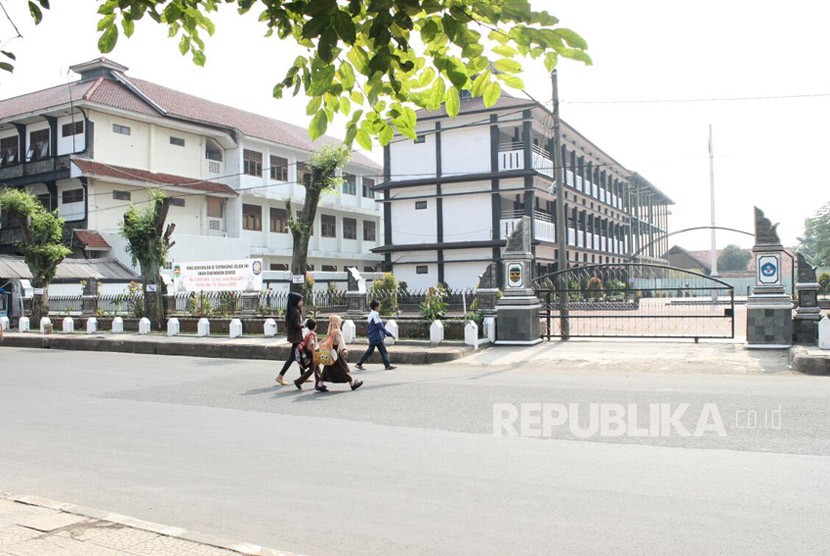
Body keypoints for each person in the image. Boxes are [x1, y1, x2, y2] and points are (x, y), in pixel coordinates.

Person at [316, 314, 363, 392]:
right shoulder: (337, 331)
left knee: (328, 368)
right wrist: (344, 349)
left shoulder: (330, 331)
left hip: (331, 353)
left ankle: (320, 384)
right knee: (344, 368)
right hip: (337, 353)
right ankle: (352, 383)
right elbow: (340, 342)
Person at [354, 300, 396, 371]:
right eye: (379, 306)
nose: (380, 308)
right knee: (383, 351)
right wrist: (390, 334)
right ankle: (387, 365)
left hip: (373, 336)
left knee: (371, 351)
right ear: (376, 307)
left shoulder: (371, 315)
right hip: (377, 337)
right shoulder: (375, 316)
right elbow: (380, 327)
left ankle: (359, 363)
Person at [276, 291, 304, 385]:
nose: (302, 302)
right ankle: (280, 376)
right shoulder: (295, 312)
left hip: (295, 337)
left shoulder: (292, 310)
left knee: (300, 356)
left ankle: (303, 376)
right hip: (297, 337)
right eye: (300, 301)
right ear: (295, 301)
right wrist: (304, 325)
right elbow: (296, 325)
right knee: (292, 358)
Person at [293, 318, 321, 390]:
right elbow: (311, 345)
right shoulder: (312, 335)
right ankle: (298, 381)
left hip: (309, 353)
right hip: (311, 354)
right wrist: (314, 355)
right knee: (312, 370)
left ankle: (319, 383)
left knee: (317, 368)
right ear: (315, 326)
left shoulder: (308, 333)